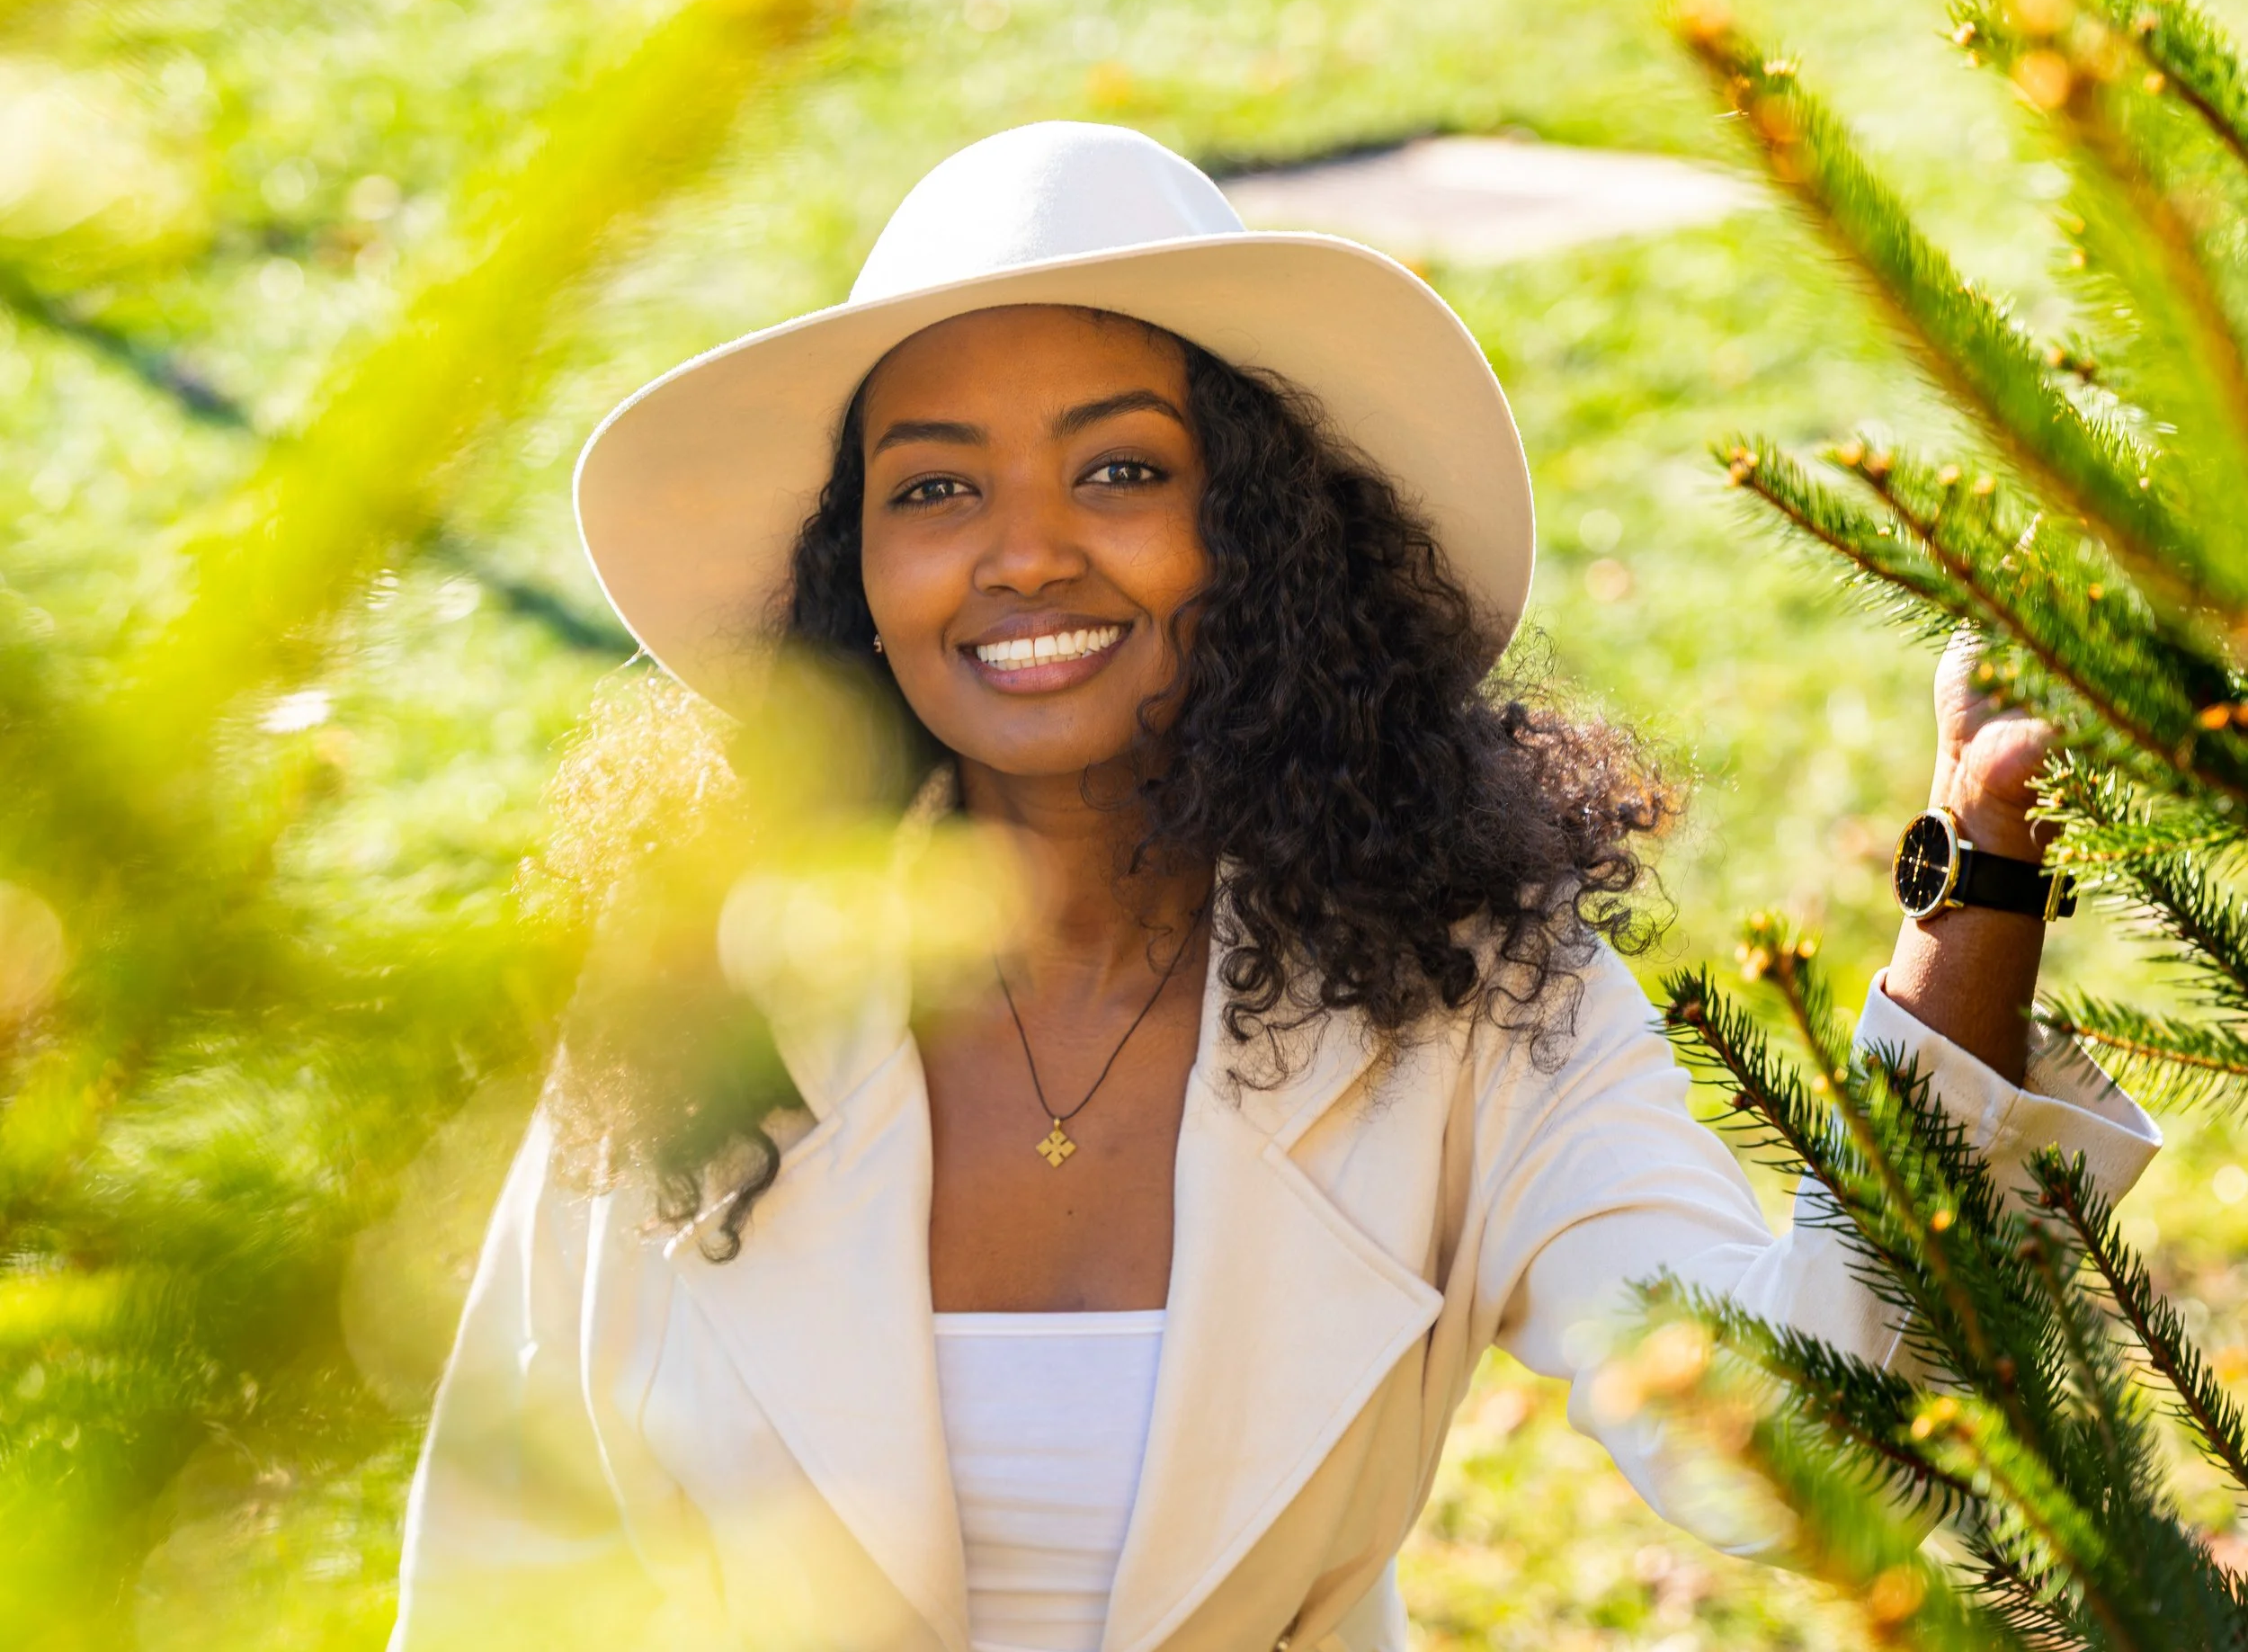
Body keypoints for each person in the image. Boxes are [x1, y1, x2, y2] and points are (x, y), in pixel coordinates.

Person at [391, 122, 2157, 1652]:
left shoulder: (1459, 984)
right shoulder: (707, 972)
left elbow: (1807, 1446)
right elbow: (496, 1567)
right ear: (851, 568)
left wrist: (1971, 877)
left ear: (1259, 532)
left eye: (1119, 468)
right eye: (932, 484)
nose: (1021, 551)